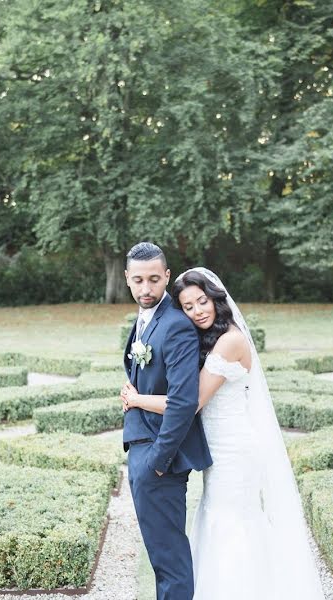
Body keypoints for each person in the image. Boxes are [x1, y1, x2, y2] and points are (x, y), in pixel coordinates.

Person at [121, 267, 326, 599]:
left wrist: (136, 399)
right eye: (188, 306)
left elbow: (191, 402)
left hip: (235, 450)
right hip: (217, 450)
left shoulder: (230, 341)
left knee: (231, 528)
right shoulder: (210, 337)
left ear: (215, 298)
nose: (197, 311)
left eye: (202, 301)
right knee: (218, 523)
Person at [120, 242, 213, 600]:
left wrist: (158, 462)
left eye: (155, 280)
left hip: (160, 458)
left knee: (170, 561)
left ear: (167, 277)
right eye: (139, 280)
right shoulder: (144, 320)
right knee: (160, 557)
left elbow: (184, 401)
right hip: (141, 447)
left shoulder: (176, 325)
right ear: (128, 279)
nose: (146, 289)